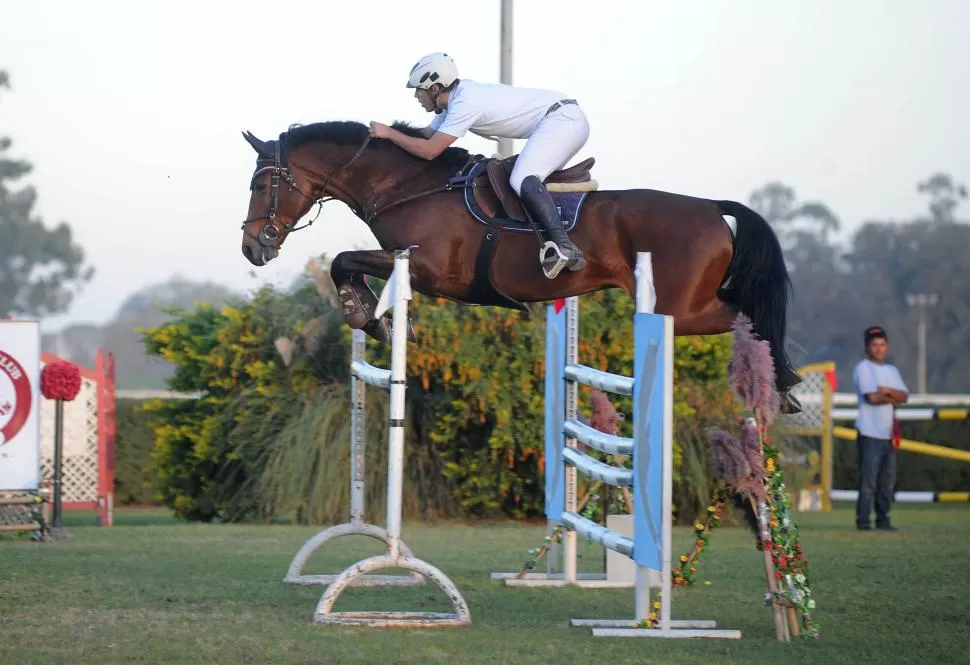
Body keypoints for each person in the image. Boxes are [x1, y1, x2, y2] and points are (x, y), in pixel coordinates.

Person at [368, 52, 590, 279]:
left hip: (563, 121)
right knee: (524, 179)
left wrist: (390, 133)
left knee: (521, 178)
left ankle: (565, 246)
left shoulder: (465, 102)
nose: (416, 96)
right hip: (561, 120)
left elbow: (430, 150)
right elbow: (426, 135)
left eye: (419, 89)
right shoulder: (453, 103)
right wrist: (387, 137)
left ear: (434, 88)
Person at [852, 325, 909, 531]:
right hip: (869, 432)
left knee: (887, 482)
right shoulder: (863, 369)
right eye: (874, 345)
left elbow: (905, 396)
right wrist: (893, 396)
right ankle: (864, 521)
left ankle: (884, 520)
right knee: (868, 483)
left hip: (888, 434)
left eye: (882, 344)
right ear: (867, 347)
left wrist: (887, 391)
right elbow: (872, 398)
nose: (879, 348)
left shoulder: (891, 371)